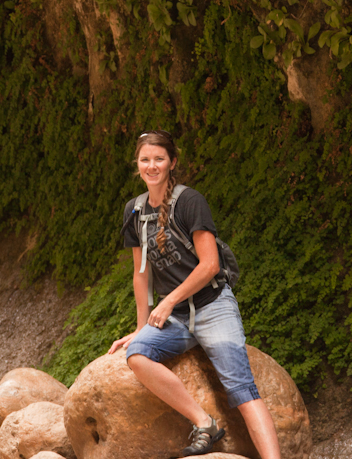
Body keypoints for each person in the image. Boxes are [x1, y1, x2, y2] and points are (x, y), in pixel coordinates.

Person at [108, 130, 281, 459]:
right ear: (138, 165)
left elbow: (210, 265)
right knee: (138, 355)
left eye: (159, 159)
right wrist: (141, 326)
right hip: (176, 318)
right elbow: (141, 274)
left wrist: (169, 299)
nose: (152, 166)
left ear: (172, 162)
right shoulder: (135, 211)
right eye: (145, 160)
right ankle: (205, 423)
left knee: (242, 389)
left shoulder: (189, 201)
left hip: (212, 306)